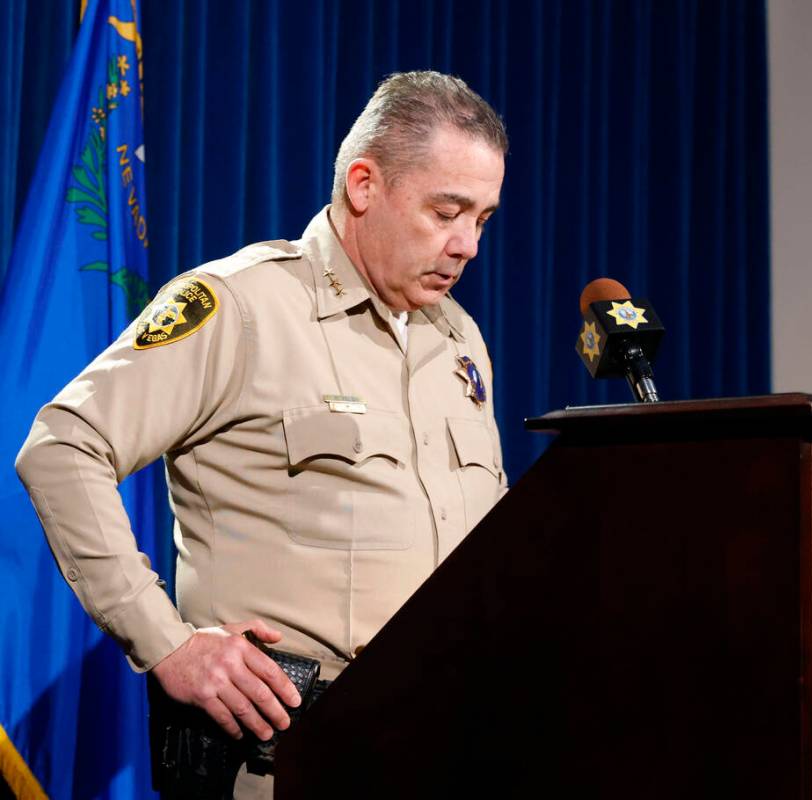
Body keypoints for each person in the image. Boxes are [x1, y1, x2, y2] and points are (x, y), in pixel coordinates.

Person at [15, 70, 509, 798]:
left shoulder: (457, 338)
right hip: (289, 756)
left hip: (444, 744)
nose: (467, 245)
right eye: (447, 212)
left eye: (483, 220)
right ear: (365, 185)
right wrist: (168, 644)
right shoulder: (240, 306)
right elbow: (61, 446)